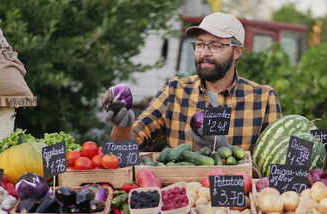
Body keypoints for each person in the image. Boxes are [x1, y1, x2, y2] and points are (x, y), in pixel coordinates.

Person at [103, 12, 282, 151]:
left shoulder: (263, 98)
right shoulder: (174, 91)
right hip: (181, 194)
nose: (204, 53)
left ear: (237, 52)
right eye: (200, 44)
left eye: (215, 45)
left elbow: (273, 160)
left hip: (239, 196)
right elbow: (128, 145)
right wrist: (122, 125)